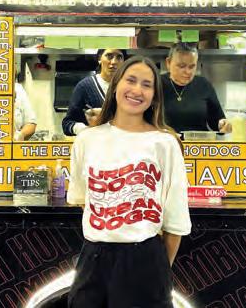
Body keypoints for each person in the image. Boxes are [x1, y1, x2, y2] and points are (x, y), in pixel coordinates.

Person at [67, 56, 191, 308]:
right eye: (131, 80)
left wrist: (155, 270)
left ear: (154, 96)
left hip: (145, 260)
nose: (137, 90)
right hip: (92, 261)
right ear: (115, 86)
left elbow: (175, 223)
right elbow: (83, 200)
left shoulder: (165, 143)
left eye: (147, 85)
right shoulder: (86, 140)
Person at [161, 42, 232, 133]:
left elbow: (217, 123)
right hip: (165, 140)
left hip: (198, 141)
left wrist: (223, 124)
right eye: (181, 66)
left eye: (192, 66)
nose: (187, 72)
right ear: (168, 63)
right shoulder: (157, 84)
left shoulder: (203, 85)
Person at [62, 49, 125, 136]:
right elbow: (67, 124)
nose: (114, 62)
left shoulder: (129, 88)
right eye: (109, 56)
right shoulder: (85, 87)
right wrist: (87, 130)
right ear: (99, 59)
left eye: (119, 57)